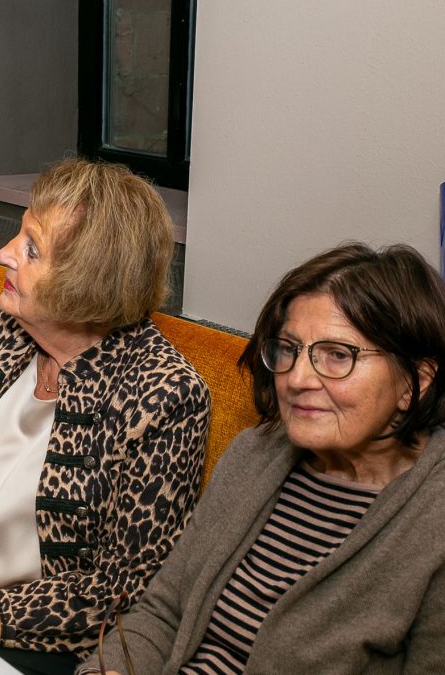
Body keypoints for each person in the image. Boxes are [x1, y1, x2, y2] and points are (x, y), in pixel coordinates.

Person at [0, 159, 211, 674]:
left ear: (88, 283)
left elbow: (125, 585)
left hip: (23, 638)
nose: (3, 253)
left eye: (31, 248)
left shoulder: (163, 396)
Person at [79, 243, 445, 675]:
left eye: (338, 355)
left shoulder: (432, 522)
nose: (297, 377)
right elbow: (161, 613)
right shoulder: (254, 453)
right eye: (289, 349)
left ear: (414, 384)